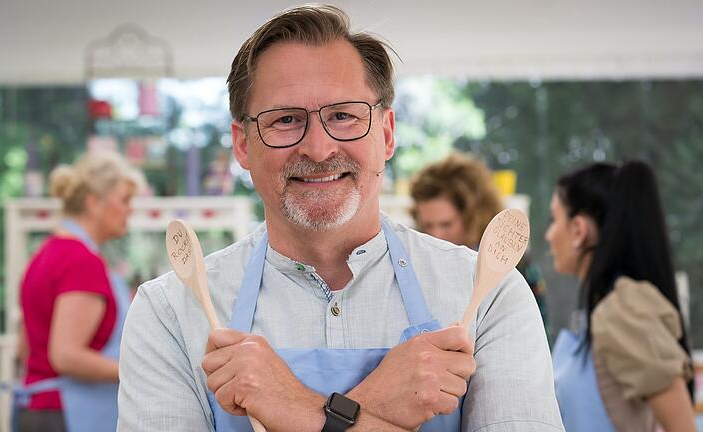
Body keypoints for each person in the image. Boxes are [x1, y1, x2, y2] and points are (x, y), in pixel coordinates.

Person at [118, 4, 562, 431]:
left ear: (386, 133)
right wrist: (378, 405)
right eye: (286, 119)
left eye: (344, 116)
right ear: (242, 144)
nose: (318, 148)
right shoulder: (171, 311)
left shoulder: (490, 295)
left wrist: (292, 408)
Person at [546, 161, 695, 431]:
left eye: (554, 220)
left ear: (578, 230)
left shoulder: (623, 309)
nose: (548, 235)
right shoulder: (600, 310)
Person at [15, 151, 144, 432]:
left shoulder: (46, 253)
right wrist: (140, 370)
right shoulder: (81, 261)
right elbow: (65, 356)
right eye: (124, 200)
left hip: (37, 410)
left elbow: (23, 348)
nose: (130, 210)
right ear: (94, 203)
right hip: (66, 416)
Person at [409, 151, 548, 329]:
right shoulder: (418, 266)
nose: (436, 235)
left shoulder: (517, 267)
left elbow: (540, 334)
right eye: (428, 225)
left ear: (473, 217)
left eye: (446, 224)